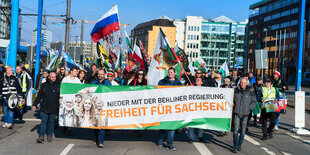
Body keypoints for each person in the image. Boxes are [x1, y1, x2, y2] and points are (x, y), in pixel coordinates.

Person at [157, 68, 181, 151]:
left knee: (172, 126)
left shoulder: (179, 83)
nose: (170, 73)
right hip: (164, 107)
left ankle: (169, 144)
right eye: (169, 72)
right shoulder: (162, 82)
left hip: (174, 108)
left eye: (171, 72)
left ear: (174, 73)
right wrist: (156, 87)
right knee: (163, 125)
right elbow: (157, 93)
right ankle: (160, 139)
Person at [32, 72, 60, 143]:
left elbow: (61, 96)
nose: (54, 78)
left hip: (54, 107)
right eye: (52, 77)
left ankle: (49, 134)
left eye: (55, 77)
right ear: (49, 77)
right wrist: (35, 104)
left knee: (51, 122)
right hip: (44, 107)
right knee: (43, 121)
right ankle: (41, 136)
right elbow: (39, 96)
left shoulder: (59, 85)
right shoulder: (43, 85)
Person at [232, 78, 256, 153]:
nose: (242, 84)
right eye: (241, 83)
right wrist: (232, 103)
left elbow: (254, 102)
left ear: (246, 83)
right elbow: (231, 99)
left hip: (246, 114)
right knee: (235, 130)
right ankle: (235, 146)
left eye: (244, 83)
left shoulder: (250, 91)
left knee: (243, 131)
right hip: (236, 113)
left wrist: (249, 108)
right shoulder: (235, 90)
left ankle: (239, 145)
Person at [61, 66, 81, 136]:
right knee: (65, 113)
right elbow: (62, 88)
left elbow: (79, 90)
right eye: (75, 71)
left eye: (77, 71)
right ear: (71, 71)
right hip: (65, 99)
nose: (76, 73)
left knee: (71, 114)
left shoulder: (77, 80)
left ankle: (69, 129)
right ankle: (65, 125)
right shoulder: (65, 79)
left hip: (73, 99)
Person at [187, 77, 205, 143]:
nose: (197, 80)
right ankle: (191, 137)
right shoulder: (191, 88)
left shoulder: (205, 90)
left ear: (202, 82)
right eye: (197, 79)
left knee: (201, 124)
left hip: (201, 109)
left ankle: (200, 136)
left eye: (199, 80)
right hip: (192, 108)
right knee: (191, 124)